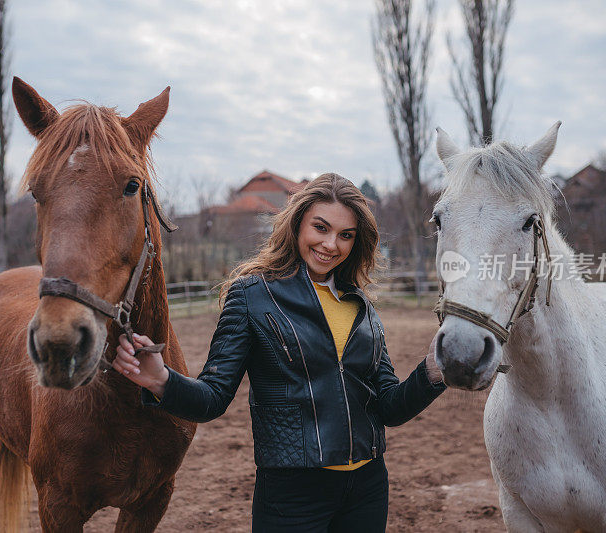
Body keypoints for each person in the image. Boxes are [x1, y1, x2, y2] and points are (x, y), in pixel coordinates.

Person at [112, 173, 445, 532]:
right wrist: (161, 380)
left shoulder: (361, 306)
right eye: (321, 228)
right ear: (298, 223)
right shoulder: (252, 296)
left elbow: (389, 407)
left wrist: (432, 372)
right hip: (292, 494)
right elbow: (212, 398)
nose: (331, 244)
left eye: (345, 235)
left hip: (368, 486)